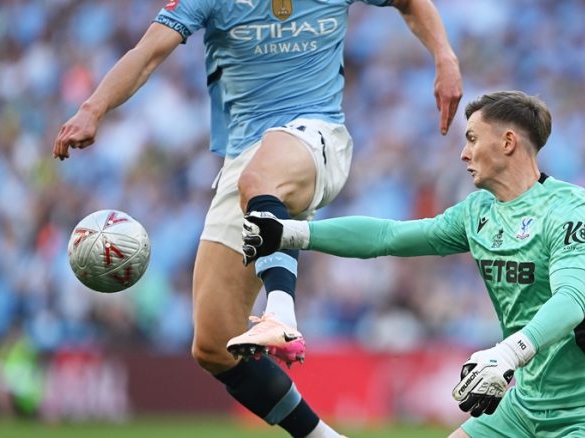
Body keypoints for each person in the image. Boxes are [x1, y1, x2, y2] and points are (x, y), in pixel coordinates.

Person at [52, 0, 462, 436]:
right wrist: (93, 108)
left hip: (315, 135)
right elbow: (148, 51)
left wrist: (445, 56)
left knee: (261, 178)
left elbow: (410, 2)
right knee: (214, 344)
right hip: (244, 159)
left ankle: (280, 312)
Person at [242, 91, 585, 437]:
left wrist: (507, 354)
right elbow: (388, 237)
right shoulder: (477, 212)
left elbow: (572, 302)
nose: (463, 153)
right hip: (526, 405)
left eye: (472, 138)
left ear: (507, 142)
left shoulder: (570, 210)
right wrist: (291, 234)